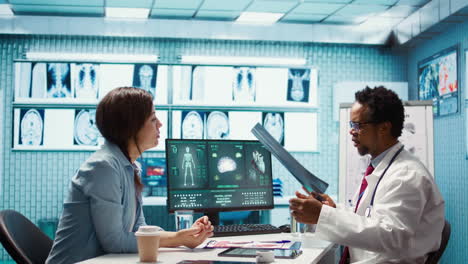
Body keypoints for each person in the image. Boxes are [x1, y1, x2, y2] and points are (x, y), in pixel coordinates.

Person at [46, 87, 214, 264]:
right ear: (131, 126)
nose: (160, 124)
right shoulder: (103, 167)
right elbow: (115, 242)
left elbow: (140, 230)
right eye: (153, 119)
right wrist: (177, 239)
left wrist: (185, 236)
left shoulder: (130, 167)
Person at [289, 86, 445, 263]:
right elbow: (368, 218)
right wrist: (332, 211)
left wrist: (323, 216)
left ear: (384, 128)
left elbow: (391, 236)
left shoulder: (407, 175)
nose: (351, 131)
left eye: (357, 125)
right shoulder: (382, 167)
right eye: (351, 124)